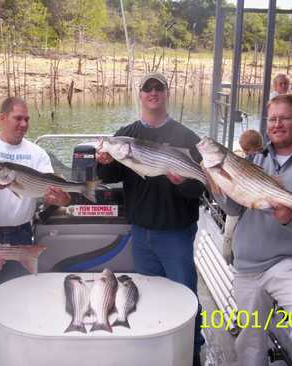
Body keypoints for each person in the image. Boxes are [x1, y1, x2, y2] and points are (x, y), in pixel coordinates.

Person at [211, 94, 292, 366]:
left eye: (284, 118)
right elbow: (234, 209)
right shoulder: (252, 159)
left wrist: (291, 219)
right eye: (272, 119)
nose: (277, 124)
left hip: (289, 263)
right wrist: (214, 181)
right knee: (249, 338)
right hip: (247, 264)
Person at [96, 73, 205, 366]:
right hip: (141, 231)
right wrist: (104, 161)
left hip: (176, 233)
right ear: (140, 94)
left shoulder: (186, 137)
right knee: (150, 295)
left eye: (158, 88)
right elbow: (109, 177)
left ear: (166, 93)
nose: (153, 93)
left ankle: (192, 351)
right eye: (148, 88)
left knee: (185, 294)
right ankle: (158, 347)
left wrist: (182, 181)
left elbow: (199, 188)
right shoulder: (126, 134)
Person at [0, 96, 71, 366]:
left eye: (27, 119)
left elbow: (54, 194)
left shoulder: (37, 154)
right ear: (2, 118)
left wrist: (59, 198)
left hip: (22, 233)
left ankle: (20, 349)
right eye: (18, 118)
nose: (23, 124)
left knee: (21, 294)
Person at [222, 129, 264, 262]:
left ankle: (228, 259)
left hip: (240, 206)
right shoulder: (268, 160)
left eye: (245, 149)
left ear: (247, 149)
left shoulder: (248, 161)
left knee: (229, 234)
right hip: (257, 210)